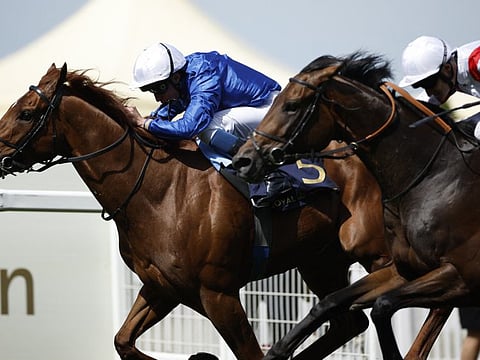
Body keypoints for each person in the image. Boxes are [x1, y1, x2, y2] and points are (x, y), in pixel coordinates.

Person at [126, 42, 286, 206]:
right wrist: (151, 118)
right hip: (254, 108)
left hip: (271, 109)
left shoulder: (204, 75)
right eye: (151, 91)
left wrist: (145, 124)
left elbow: (190, 127)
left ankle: (262, 169)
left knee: (208, 128)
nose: (157, 98)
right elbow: (176, 102)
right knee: (205, 136)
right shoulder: (183, 76)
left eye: (159, 89)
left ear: (175, 77)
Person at [399, 35, 480, 105]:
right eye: (422, 85)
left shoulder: (476, 62)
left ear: (447, 69)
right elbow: (423, 106)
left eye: (429, 84)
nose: (429, 93)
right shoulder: (449, 75)